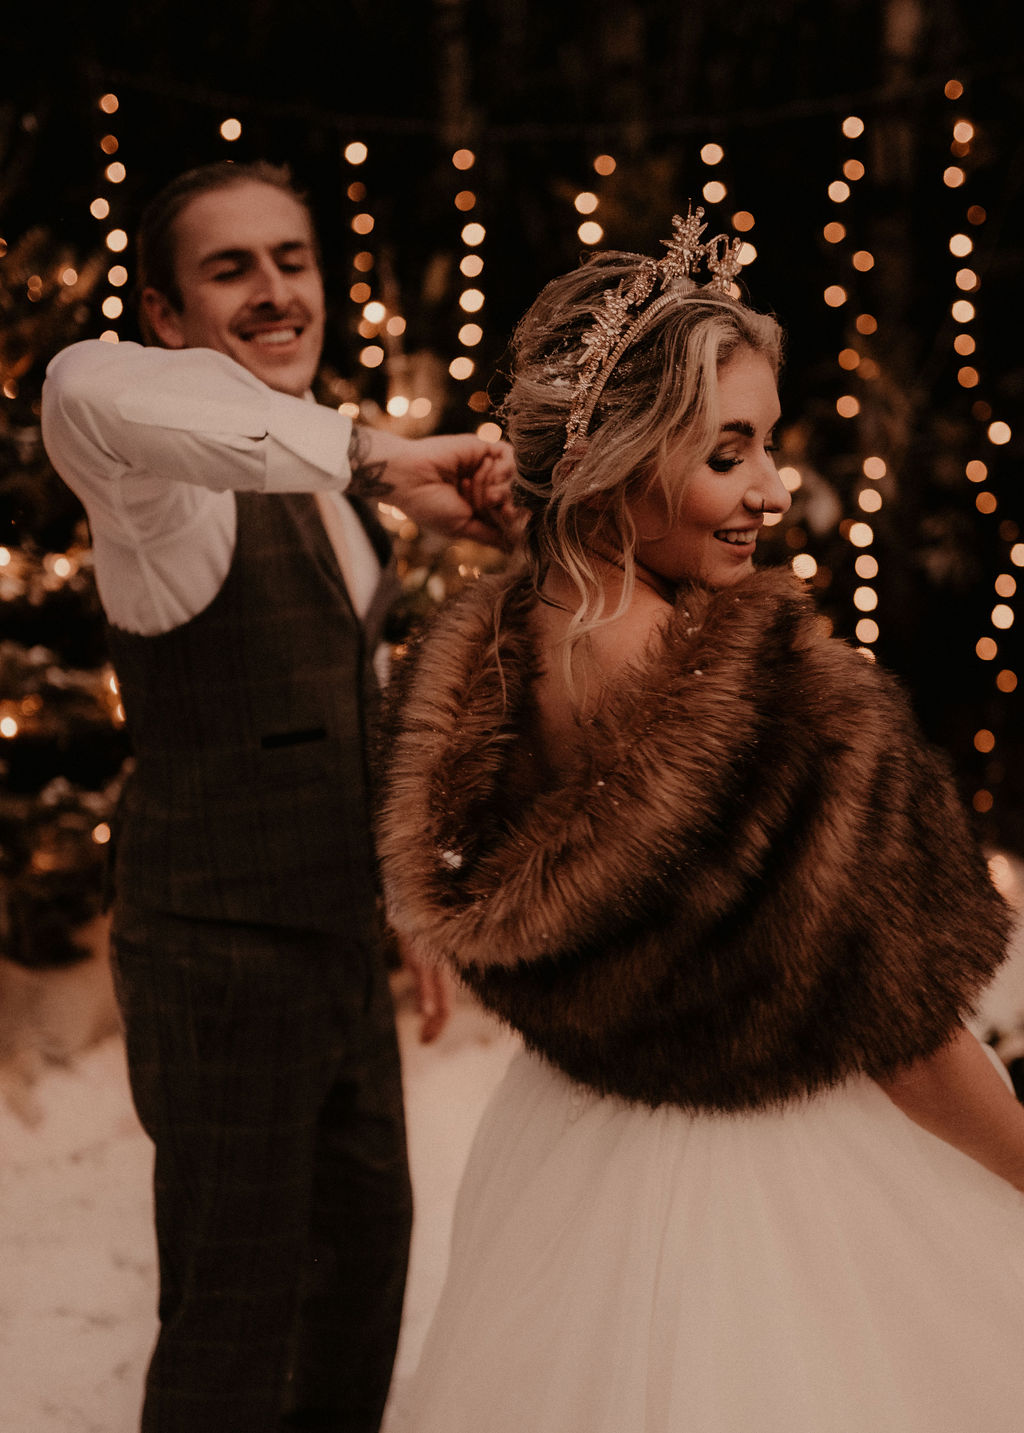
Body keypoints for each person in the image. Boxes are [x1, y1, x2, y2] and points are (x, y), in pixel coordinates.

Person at [377, 209, 1024, 1433]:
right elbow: (902, 1036)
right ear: (615, 460)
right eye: (727, 454)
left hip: (569, 1155)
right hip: (774, 1189)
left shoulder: (513, 650)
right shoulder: (748, 710)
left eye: (766, 446)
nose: (774, 491)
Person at [40, 159, 513, 1433]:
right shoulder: (155, 482)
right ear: (166, 312)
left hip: (338, 951)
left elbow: (343, 709)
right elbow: (84, 384)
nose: (273, 291)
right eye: (228, 266)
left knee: (362, 1279)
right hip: (218, 954)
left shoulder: (342, 487)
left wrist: (404, 896)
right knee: (234, 1314)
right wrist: (372, 452)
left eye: (290, 259)